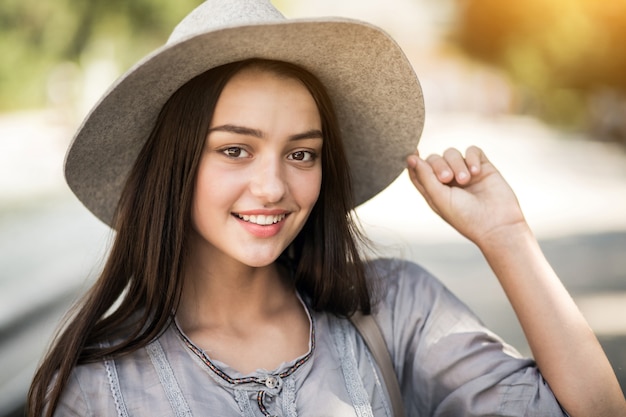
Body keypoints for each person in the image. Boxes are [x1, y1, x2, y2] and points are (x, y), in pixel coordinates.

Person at [28, 1, 626, 416]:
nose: (272, 187)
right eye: (235, 149)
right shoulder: (93, 391)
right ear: (175, 164)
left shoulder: (394, 310)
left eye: (302, 154)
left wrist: (507, 236)